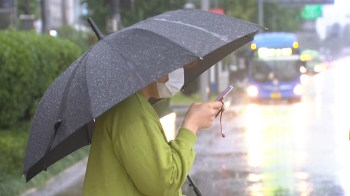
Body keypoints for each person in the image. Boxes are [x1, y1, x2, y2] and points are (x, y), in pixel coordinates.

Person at [82, 61, 223, 196]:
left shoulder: (134, 105)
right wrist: (192, 124)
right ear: (155, 63)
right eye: (178, 66)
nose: (180, 73)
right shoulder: (130, 110)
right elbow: (164, 182)